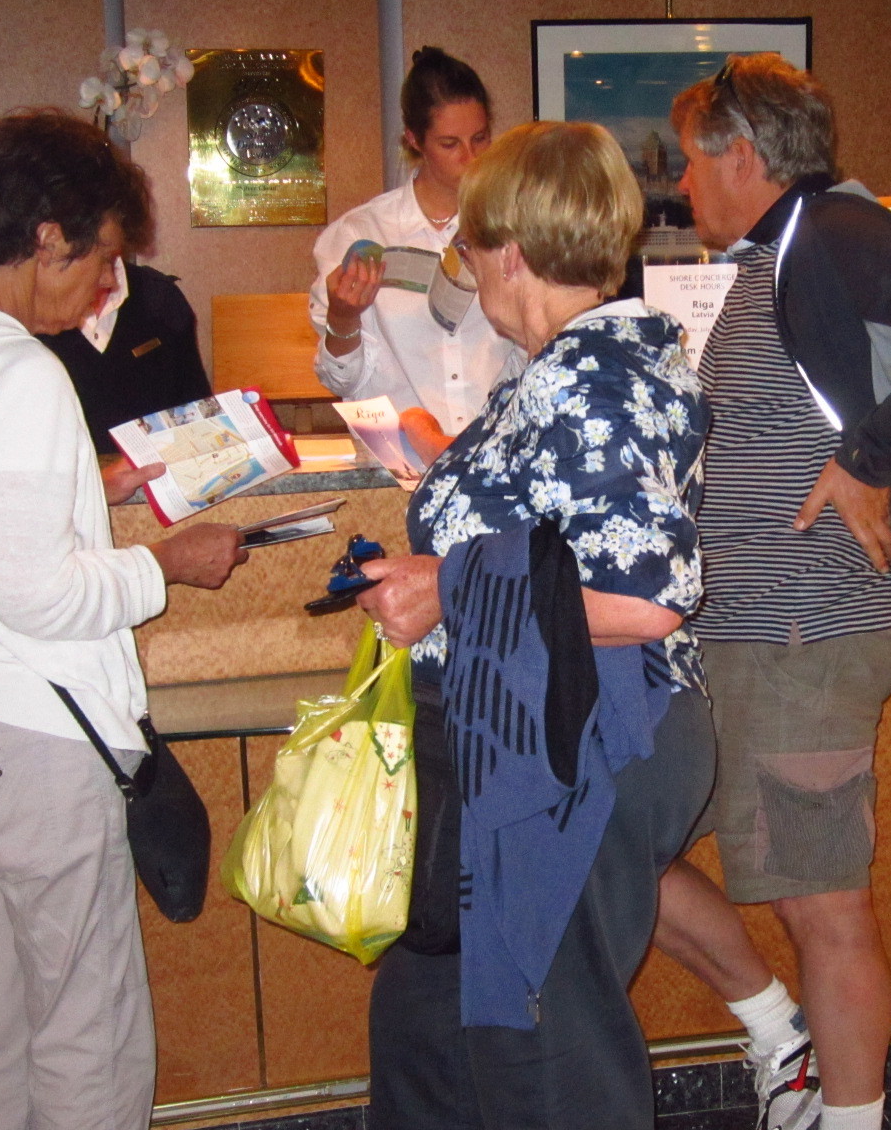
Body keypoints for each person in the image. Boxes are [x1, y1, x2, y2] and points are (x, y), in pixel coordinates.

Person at [653, 54, 891, 1130]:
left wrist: (867, 457)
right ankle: (781, 1035)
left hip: (808, 629)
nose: (681, 183)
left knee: (825, 906)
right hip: (746, 636)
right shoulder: (776, 256)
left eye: (690, 161)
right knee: (622, 848)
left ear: (742, 156)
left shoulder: (832, 232)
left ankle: (848, 1114)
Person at [0, 109, 250, 1130]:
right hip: (37, 748)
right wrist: (164, 566)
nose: (104, 286)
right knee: (90, 1036)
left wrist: (92, 485)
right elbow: (34, 592)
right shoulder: (20, 371)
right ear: (48, 237)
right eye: (99, 258)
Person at [354, 120, 714, 1130]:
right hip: (529, 734)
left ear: (509, 252)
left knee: (547, 1061)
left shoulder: (586, 378)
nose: (466, 269)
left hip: (573, 742)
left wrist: (448, 589)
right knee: (436, 1029)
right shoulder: (575, 367)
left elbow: (647, 597)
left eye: (468, 248)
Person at [310, 46, 523, 456]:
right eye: (450, 144)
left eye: (480, 138)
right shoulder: (360, 232)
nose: (472, 158)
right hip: (398, 458)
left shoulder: (515, 226)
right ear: (414, 140)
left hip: (492, 455)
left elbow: (534, 360)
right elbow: (342, 382)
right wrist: (343, 317)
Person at [39, 257, 213, 453]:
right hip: (65, 469)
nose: (108, 279)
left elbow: (198, 416)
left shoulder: (160, 297)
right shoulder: (28, 313)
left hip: (156, 465)